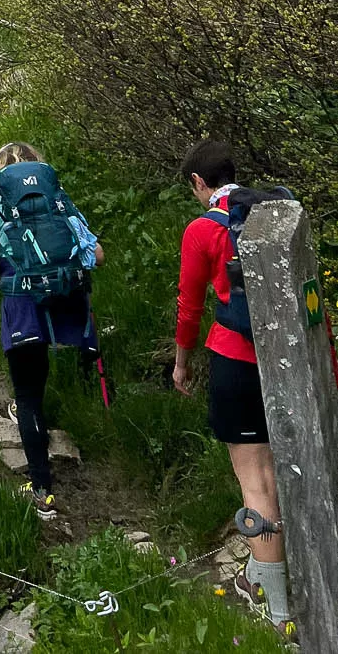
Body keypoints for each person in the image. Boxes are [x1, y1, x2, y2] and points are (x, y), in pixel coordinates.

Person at [174, 140, 290, 630]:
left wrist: (181, 363)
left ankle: (273, 599)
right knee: (289, 472)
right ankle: (288, 565)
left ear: (201, 183)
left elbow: (190, 305)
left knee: (257, 479)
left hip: (236, 361)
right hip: (290, 364)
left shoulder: (204, 229)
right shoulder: (279, 213)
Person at [0, 142, 103, 521]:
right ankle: (94, 392)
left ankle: (42, 491)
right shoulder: (59, 200)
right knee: (60, 361)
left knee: (27, 395)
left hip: (23, 306)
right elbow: (97, 254)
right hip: (68, 299)